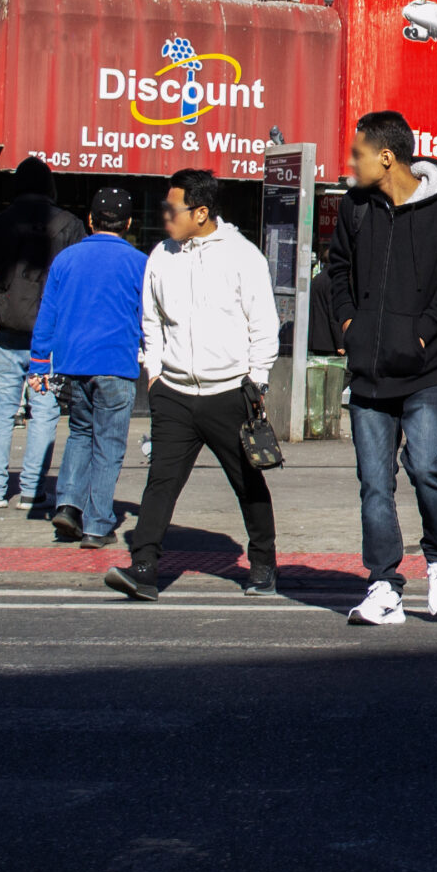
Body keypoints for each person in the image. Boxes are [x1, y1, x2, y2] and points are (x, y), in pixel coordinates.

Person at [322, 111, 437, 626]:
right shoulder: (356, 208)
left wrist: (422, 330)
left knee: (426, 468)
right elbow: (337, 270)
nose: (350, 163)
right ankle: (384, 586)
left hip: (427, 366)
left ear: (386, 157)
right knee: (374, 483)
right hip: (369, 370)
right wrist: (348, 322)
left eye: (357, 154)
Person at [105, 170, 281, 599]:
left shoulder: (243, 256)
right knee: (161, 482)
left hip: (229, 391)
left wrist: (256, 381)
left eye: (173, 209)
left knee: (247, 481)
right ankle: (144, 567)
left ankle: (262, 565)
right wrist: (156, 376)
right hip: (175, 393)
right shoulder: (161, 256)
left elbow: (263, 324)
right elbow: (151, 321)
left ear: (201, 213)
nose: (165, 216)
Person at [0, 156, 84, 510]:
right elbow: (79, 276)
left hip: (9, 331)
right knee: (43, 411)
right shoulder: (69, 225)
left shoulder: (1, 223)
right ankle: (32, 491)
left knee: (0, 411)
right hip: (51, 336)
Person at [31, 189, 148, 549]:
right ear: (128, 223)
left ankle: (68, 505)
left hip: (72, 364)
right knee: (109, 444)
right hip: (116, 364)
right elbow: (150, 318)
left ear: (91, 220)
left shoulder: (66, 260)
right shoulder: (140, 263)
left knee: (80, 433)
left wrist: (38, 364)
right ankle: (98, 523)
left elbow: (46, 313)